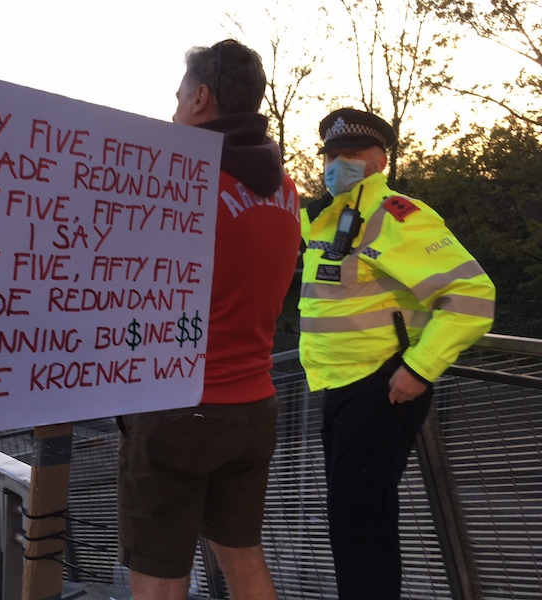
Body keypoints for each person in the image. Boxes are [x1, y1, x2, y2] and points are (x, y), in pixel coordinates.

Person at [117, 40, 302, 600]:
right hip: (254, 405)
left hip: (180, 408)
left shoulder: (182, 185)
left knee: (159, 570)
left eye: (178, 97)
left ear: (200, 98)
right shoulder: (286, 190)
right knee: (243, 558)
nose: (173, 109)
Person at [299, 107, 496, 600]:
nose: (339, 163)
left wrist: (418, 370)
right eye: (332, 155)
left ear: (380, 160)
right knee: (353, 517)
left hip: (381, 385)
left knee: (361, 520)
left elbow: (472, 298)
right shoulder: (323, 219)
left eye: (354, 154)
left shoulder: (397, 216)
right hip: (339, 386)